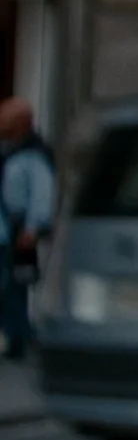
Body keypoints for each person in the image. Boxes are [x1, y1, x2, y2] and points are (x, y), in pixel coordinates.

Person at [0, 98, 56, 361]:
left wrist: (32, 229)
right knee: (10, 287)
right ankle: (19, 337)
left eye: (5, 119)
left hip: (18, 230)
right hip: (5, 228)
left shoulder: (34, 154)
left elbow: (41, 195)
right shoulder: (8, 150)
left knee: (14, 286)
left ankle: (25, 337)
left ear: (21, 123)